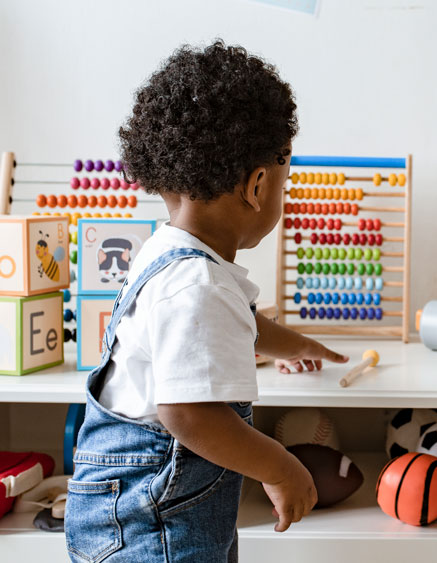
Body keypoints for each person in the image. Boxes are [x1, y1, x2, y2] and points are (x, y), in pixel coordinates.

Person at [65, 41, 346, 562]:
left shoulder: (173, 252)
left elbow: (244, 323)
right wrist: (280, 467)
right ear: (259, 185)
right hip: (152, 525)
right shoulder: (197, 285)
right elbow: (190, 415)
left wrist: (298, 344)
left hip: (143, 509)